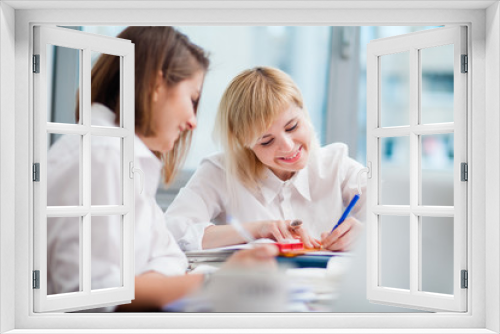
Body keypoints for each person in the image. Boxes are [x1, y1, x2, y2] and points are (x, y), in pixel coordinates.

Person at [47, 27, 278, 312]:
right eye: (192, 99)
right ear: (157, 85)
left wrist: (150, 284)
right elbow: (98, 296)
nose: (193, 121)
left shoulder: (125, 158)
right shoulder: (102, 155)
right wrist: (215, 284)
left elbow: (170, 257)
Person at [164, 66, 366, 252]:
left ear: (304, 113)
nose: (287, 146)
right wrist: (257, 230)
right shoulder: (220, 171)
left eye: (292, 127)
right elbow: (171, 232)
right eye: (267, 141)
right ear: (244, 143)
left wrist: (365, 233)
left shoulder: (336, 165)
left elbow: (392, 215)